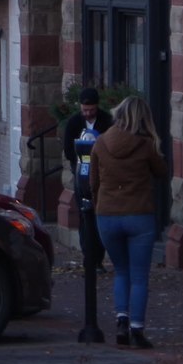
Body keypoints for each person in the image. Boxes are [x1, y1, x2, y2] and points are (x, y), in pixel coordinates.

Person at [91, 94, 168, 349]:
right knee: (139, 276)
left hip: (107, 216)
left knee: (120, 271)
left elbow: (93, 183)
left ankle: (121, 321)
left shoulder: (101, 143)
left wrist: (101, 202)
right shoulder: (146, 145)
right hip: (139, 215)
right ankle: (137, 328)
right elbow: (161, 172)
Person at [62, 87, 115, 265]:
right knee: (85, 217)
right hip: (81, 175)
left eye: (91, 110)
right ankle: (89, 258)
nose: (88, 113)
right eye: (85, 110)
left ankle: (98, 256)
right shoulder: (74, 123)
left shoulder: (107, 121)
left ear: (97, 107)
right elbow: (68, 149)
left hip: (102, 175)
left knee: (99, 216)